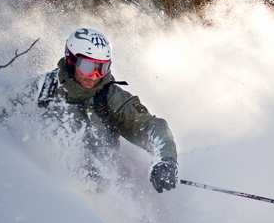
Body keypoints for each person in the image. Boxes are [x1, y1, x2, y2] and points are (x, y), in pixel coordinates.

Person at [15, 27, 178, 193]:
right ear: (71, 60)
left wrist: (165, 159)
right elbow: (7, 110)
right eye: (87, 66)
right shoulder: (44, 88)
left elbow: (151, 126)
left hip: (103, 184)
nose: (93, 76)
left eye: (101, 68)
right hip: (49, 179)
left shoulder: (109, 96)